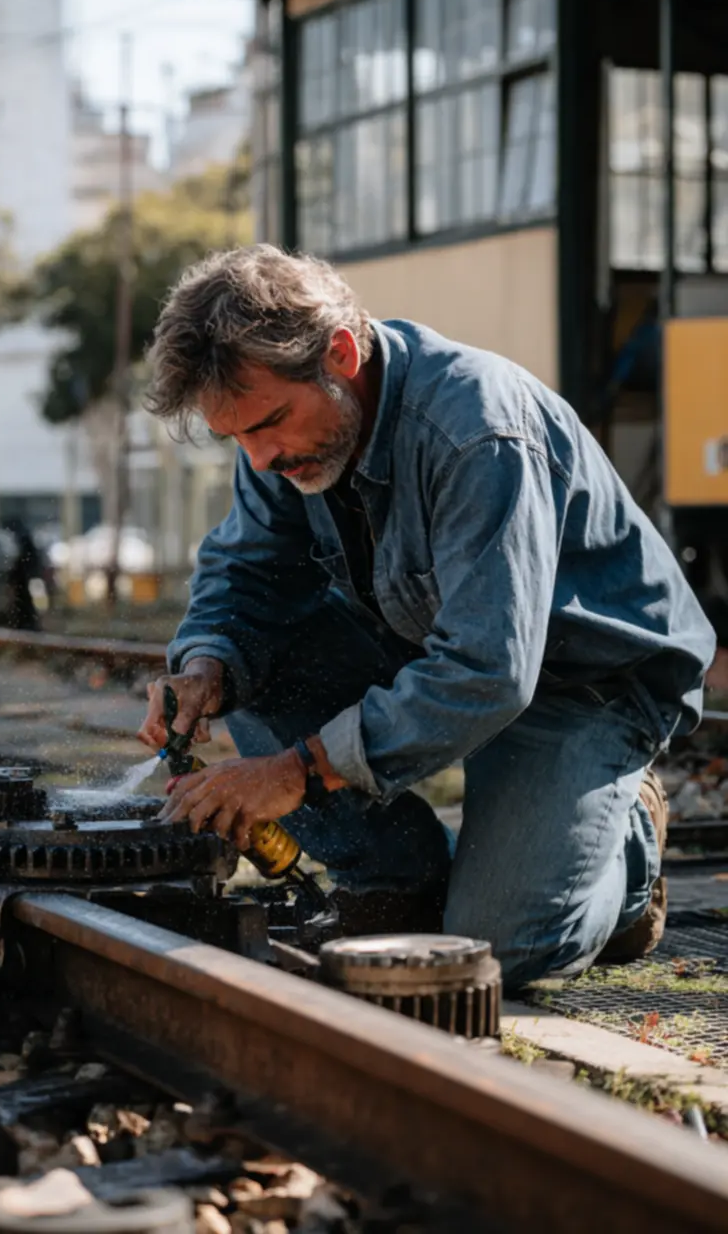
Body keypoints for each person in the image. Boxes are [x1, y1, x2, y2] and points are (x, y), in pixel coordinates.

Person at [137, 245, 715, 990]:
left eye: (269, 423)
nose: (257, 460)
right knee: (254, 660)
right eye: (236, 437)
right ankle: (396, 879)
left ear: (340, 355)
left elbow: (487, 671)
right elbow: (246, 574)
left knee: (497, 950)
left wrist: (296, 770)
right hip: (437, 648)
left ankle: (628, 838)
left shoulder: (478, 431)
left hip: (584, 683)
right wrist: (205, 668)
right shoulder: (287, 442)